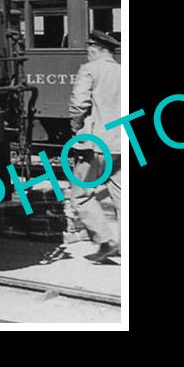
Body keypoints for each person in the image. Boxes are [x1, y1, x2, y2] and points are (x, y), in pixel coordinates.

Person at [66, 30, 122, 263]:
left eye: (89, 47)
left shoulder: (89, 69)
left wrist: (75, 126)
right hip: (123, 143)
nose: (87, 51)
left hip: (96, 145)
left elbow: (79, 104)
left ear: (95, 48)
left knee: (80, 195)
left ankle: (106, 240)